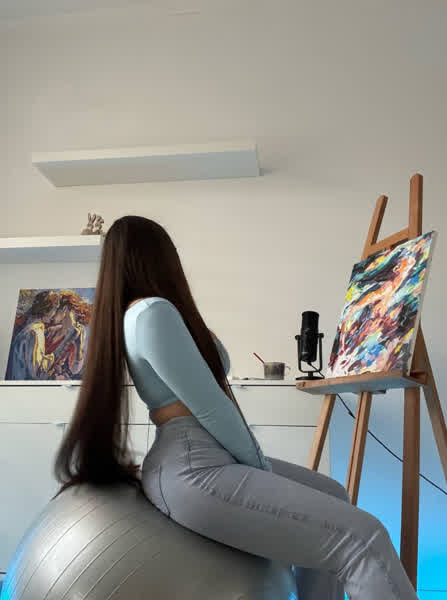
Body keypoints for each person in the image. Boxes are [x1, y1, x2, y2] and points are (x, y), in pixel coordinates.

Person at [53, 215, 419, 600]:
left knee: (334, 495)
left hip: (200, 456)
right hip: (193, 465)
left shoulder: (145, 314)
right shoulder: (151, 312)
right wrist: (259, 468)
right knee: (363, 538)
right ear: (159, 257)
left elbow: (211, 381)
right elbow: (211, 406)